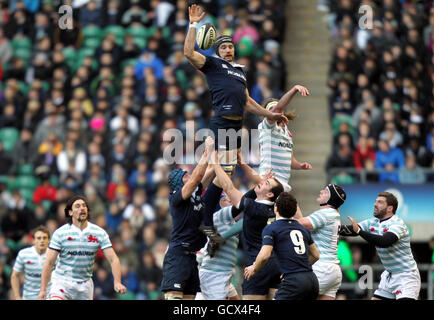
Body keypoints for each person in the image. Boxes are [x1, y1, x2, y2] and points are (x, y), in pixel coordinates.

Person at [184, 4, 287, 176]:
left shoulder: (240, 71)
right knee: (212, 165)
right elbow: (188, 52)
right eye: (224, 47)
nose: (228, 50)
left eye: (230, 47)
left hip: (237, 124)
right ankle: (195, 194)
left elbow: (247, 101)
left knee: (227, 170)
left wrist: (269, 114)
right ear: (218, 51)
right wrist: (193, 25)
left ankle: (207, 196)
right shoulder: (212, 64)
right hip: (222, 121)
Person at [212, 157, 284, 300]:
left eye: (266, 183)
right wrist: (245, 166)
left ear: (269, 194)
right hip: (277, 265)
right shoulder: (275, 210)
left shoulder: (254, 208)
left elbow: (229, 187)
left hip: (258, 265)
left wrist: (214, 163)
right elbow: (250, 196)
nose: (261, 182)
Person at [37, 195, 127, 300]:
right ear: (70, 212)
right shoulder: (60, 233)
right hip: (62, 282)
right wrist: (43, 289)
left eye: (84, 206)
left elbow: (113, 259)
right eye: (78, 206)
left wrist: (117, 282)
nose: (82, 208)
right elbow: (49, 263)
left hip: (85, 285)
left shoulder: (99, 233)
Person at [160, 137, 216, 300]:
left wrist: (225, 156)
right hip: (178, 256)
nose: (189, 177)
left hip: (191, 257)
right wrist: (207, 152)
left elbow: (212, 171)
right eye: (185, 176)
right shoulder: (176, 197)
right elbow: (197, 178)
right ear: (178, 182)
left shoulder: (195, 193)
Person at [339, 192, 421, 300]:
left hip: (406, 276)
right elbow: (351, 230)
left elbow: (384, 241)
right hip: (389, 275)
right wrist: (329, 228)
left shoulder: (397, 224)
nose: (375, 204)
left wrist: (359, 231)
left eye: (380, 202)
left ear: (389, 208)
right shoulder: (373, 222)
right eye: (375, 201)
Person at [244, 192, 320, 300]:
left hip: (294, 282)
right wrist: (299, 269)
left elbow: (265, 255)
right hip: (312, 280)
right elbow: (316, 255)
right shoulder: (302, 228)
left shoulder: (271, 228)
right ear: (294, 210)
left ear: (276, 208)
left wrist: (254, 268)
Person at [294, 184, 347, 300]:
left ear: (330, 199)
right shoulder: (334, 214)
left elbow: (300, 224)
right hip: (333, 271)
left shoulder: (326, 213)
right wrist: (294, 205)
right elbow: (304, 222)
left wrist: (282, 214)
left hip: (321, 268)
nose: (321, 191)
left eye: (326, 191)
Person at [257, 85, 313, 192]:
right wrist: (294, 89)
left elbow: (291, 161)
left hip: (283, 182)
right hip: (270, 181)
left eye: (277, 109)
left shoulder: (287, 132)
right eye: (271, 111)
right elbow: (278, 108)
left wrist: (300, 165)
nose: (275, 112)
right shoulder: (267, 127)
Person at [197, 192, 240, 300]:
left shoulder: (231, 223)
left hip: (222, 274)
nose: (230, 201)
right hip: (212, 276)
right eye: (224, 200)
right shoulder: (219, 216)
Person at [11, 226, 51, 300]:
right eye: (39, 238)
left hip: (48, 296)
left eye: (44, 238)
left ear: (49, 240)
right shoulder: (23, 254)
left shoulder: (54, 255)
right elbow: (15, 276)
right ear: (33, 240)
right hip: (28, 296)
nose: (42, 240)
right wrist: (17, 297)